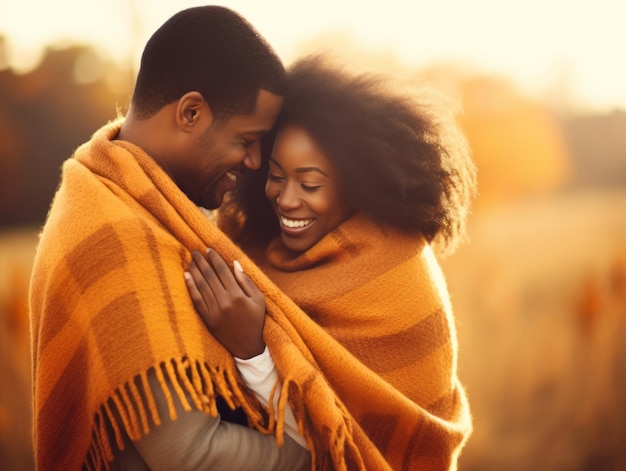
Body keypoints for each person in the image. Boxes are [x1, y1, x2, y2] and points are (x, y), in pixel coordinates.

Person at [29, 6, 311, 470]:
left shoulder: (122, 202)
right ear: (191, 112)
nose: (256, 162)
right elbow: (190, 455)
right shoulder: (115, 235)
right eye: (247, 140)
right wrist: (323, 449)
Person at [185, 55, 477, 470]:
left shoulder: (398, 276)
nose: (286, 199)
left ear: (354, 187)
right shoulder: (251, 245)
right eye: (276, 175)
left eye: (310, 184)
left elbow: (343, 452)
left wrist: (252, 351)